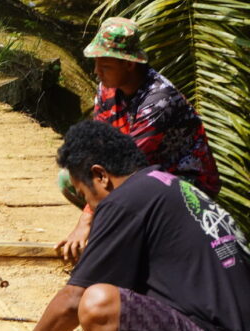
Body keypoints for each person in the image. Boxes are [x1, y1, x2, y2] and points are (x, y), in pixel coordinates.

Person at [30, 120, 250, 331]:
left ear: (101, 176)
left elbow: (73, 300)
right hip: (226, 326)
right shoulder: (163, 185)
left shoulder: (124, 200)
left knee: (98, 304)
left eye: (84, 194)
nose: (90, 205)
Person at [56, 17, 221, 261]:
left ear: (130, 64)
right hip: (139, 174)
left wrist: (86, 220)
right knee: (70, 177)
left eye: (105, 65)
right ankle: (119, 233)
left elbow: (129, 168)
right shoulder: (107, 88)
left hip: (180, 183)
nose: (96, 71)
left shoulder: (159, 100)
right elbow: (97, 144)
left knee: (122, 184)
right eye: (96, 63)